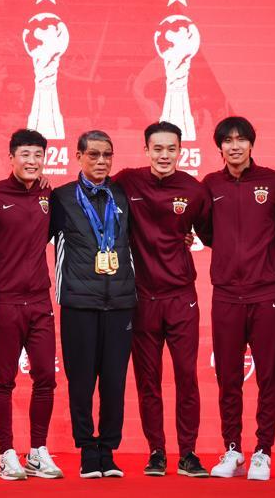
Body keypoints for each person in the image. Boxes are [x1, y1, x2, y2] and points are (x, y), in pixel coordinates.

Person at [199, 116, 275, 481]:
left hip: (266, 292)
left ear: (252, 144)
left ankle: (263, 451)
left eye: (241, 139)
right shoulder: (210, 185)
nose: (235, 145)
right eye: (228, 140)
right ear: (220, 147)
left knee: (269, 376)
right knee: (229, 377)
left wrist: (265, 256)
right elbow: (206, 232)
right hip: (226, 293)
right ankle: (233, 450)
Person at [113, 121, 211, 477]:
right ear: (146, 150)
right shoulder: (127, 181)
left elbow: (212, 233)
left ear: (181, 151)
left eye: (171, 149)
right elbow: (92, 189)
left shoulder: (194, 190)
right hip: (142, 298)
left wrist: (187, 237)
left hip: (181, 296)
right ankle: (156, 451)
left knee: (186, 376)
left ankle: (188, 453)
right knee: (148, 380)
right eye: (158, 149)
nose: (164, 155)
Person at [50, 130, 136, 478]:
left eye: (107, 155)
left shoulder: (123, 195)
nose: (101, 161)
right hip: (78, 303)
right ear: (78, 157)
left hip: (121, 303)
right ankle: (87, 450)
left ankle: (108, 451)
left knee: (114, 382)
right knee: (81, 381)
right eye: (94, 155)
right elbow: (27, 232)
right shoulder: (61, 198)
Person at [0, 129, 62, 480]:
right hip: (5, 300)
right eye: (25, 155)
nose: (32, 161)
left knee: (46, 377)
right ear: (11, 157)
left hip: (40, 300)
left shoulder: (49, 195)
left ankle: (37, 452)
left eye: (38, 155)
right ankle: (6, 453)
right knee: (3, 379)